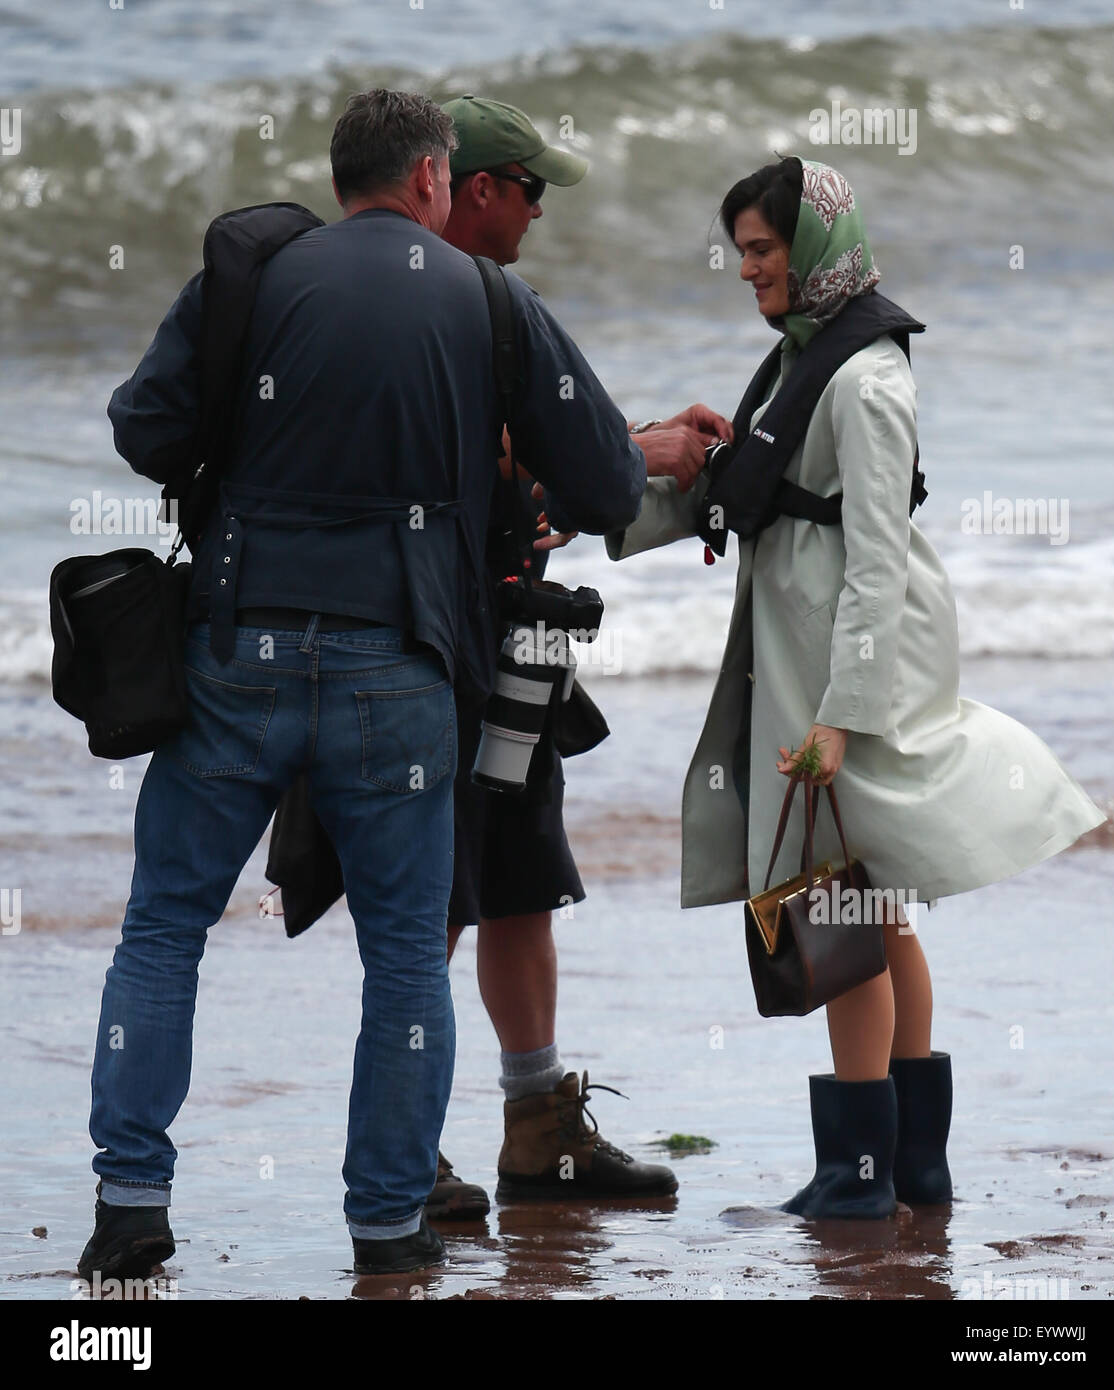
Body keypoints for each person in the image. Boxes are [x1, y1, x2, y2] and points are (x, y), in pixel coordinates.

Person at [79, 88, 646, 1282]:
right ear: (435, 181)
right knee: (400, 955)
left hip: (237, 655)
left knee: (165, 927)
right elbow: (601, 482)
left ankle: (131, 1206)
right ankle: (385, 1227)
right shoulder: (491, 301)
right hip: (401, 670)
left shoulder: (253, 275)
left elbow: (142, 428)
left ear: (341, 180)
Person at [605, 156, 1106, 1218]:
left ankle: (858, 1172)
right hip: (810, 633)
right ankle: (910, 1165)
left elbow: (876, 559)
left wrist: (837, 716)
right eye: (738, 250)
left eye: (760, 249)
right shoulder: (801, 358)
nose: (744, 270)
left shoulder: (867, 379)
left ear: (813, 249)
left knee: (842, 898)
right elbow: (751, 491)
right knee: (874, 900)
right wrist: (601, 497)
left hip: (849, 651)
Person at [422, 94, 728, 1214]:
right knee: (444, 892)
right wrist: (634, 452)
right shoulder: (475, 308)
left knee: (515, 878)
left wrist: (628, 444)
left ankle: (536, 1127)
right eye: (531, 189)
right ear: (479, 190)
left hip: (492, 628)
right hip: (446, 642)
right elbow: (560, 478)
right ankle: (408, 1146)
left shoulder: (424, 304)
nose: (541, 212)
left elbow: (542, 472)